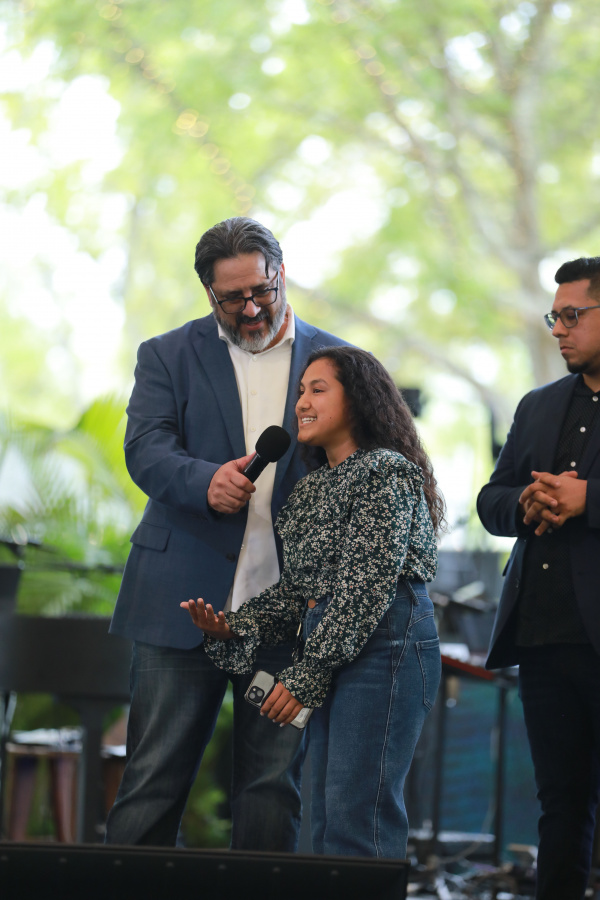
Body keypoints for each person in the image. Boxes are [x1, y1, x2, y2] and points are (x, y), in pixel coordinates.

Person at [105, 217, 350, 850]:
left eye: (262, 290)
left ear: (281, 274)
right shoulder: (166, 354)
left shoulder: (339, 361)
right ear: (208, 292)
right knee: (152, 781)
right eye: (231, 297)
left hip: (289, 615)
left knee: (273, 791)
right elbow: (145, 448)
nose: (251, 308)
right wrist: (204, 481)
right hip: (180, 602)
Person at [182, 346, 445, 858]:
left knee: (357, 820)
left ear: (360, 399)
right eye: (300, 391)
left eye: (318, 390)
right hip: (336, 643)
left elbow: (366, 585)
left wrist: (309, 672)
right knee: (326, 821)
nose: (301, 402)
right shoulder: (311, 490)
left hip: (386, 644)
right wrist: (235, 625)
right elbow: (299, 592)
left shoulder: (385, 471)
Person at [477, 257, 600, 899]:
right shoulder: (539, 405)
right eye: (555, 316)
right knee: (560, 804)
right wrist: (524, 504)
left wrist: (589, 500)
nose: (558, 329)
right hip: (544, 636)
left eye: (572, 315)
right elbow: (490, 499)